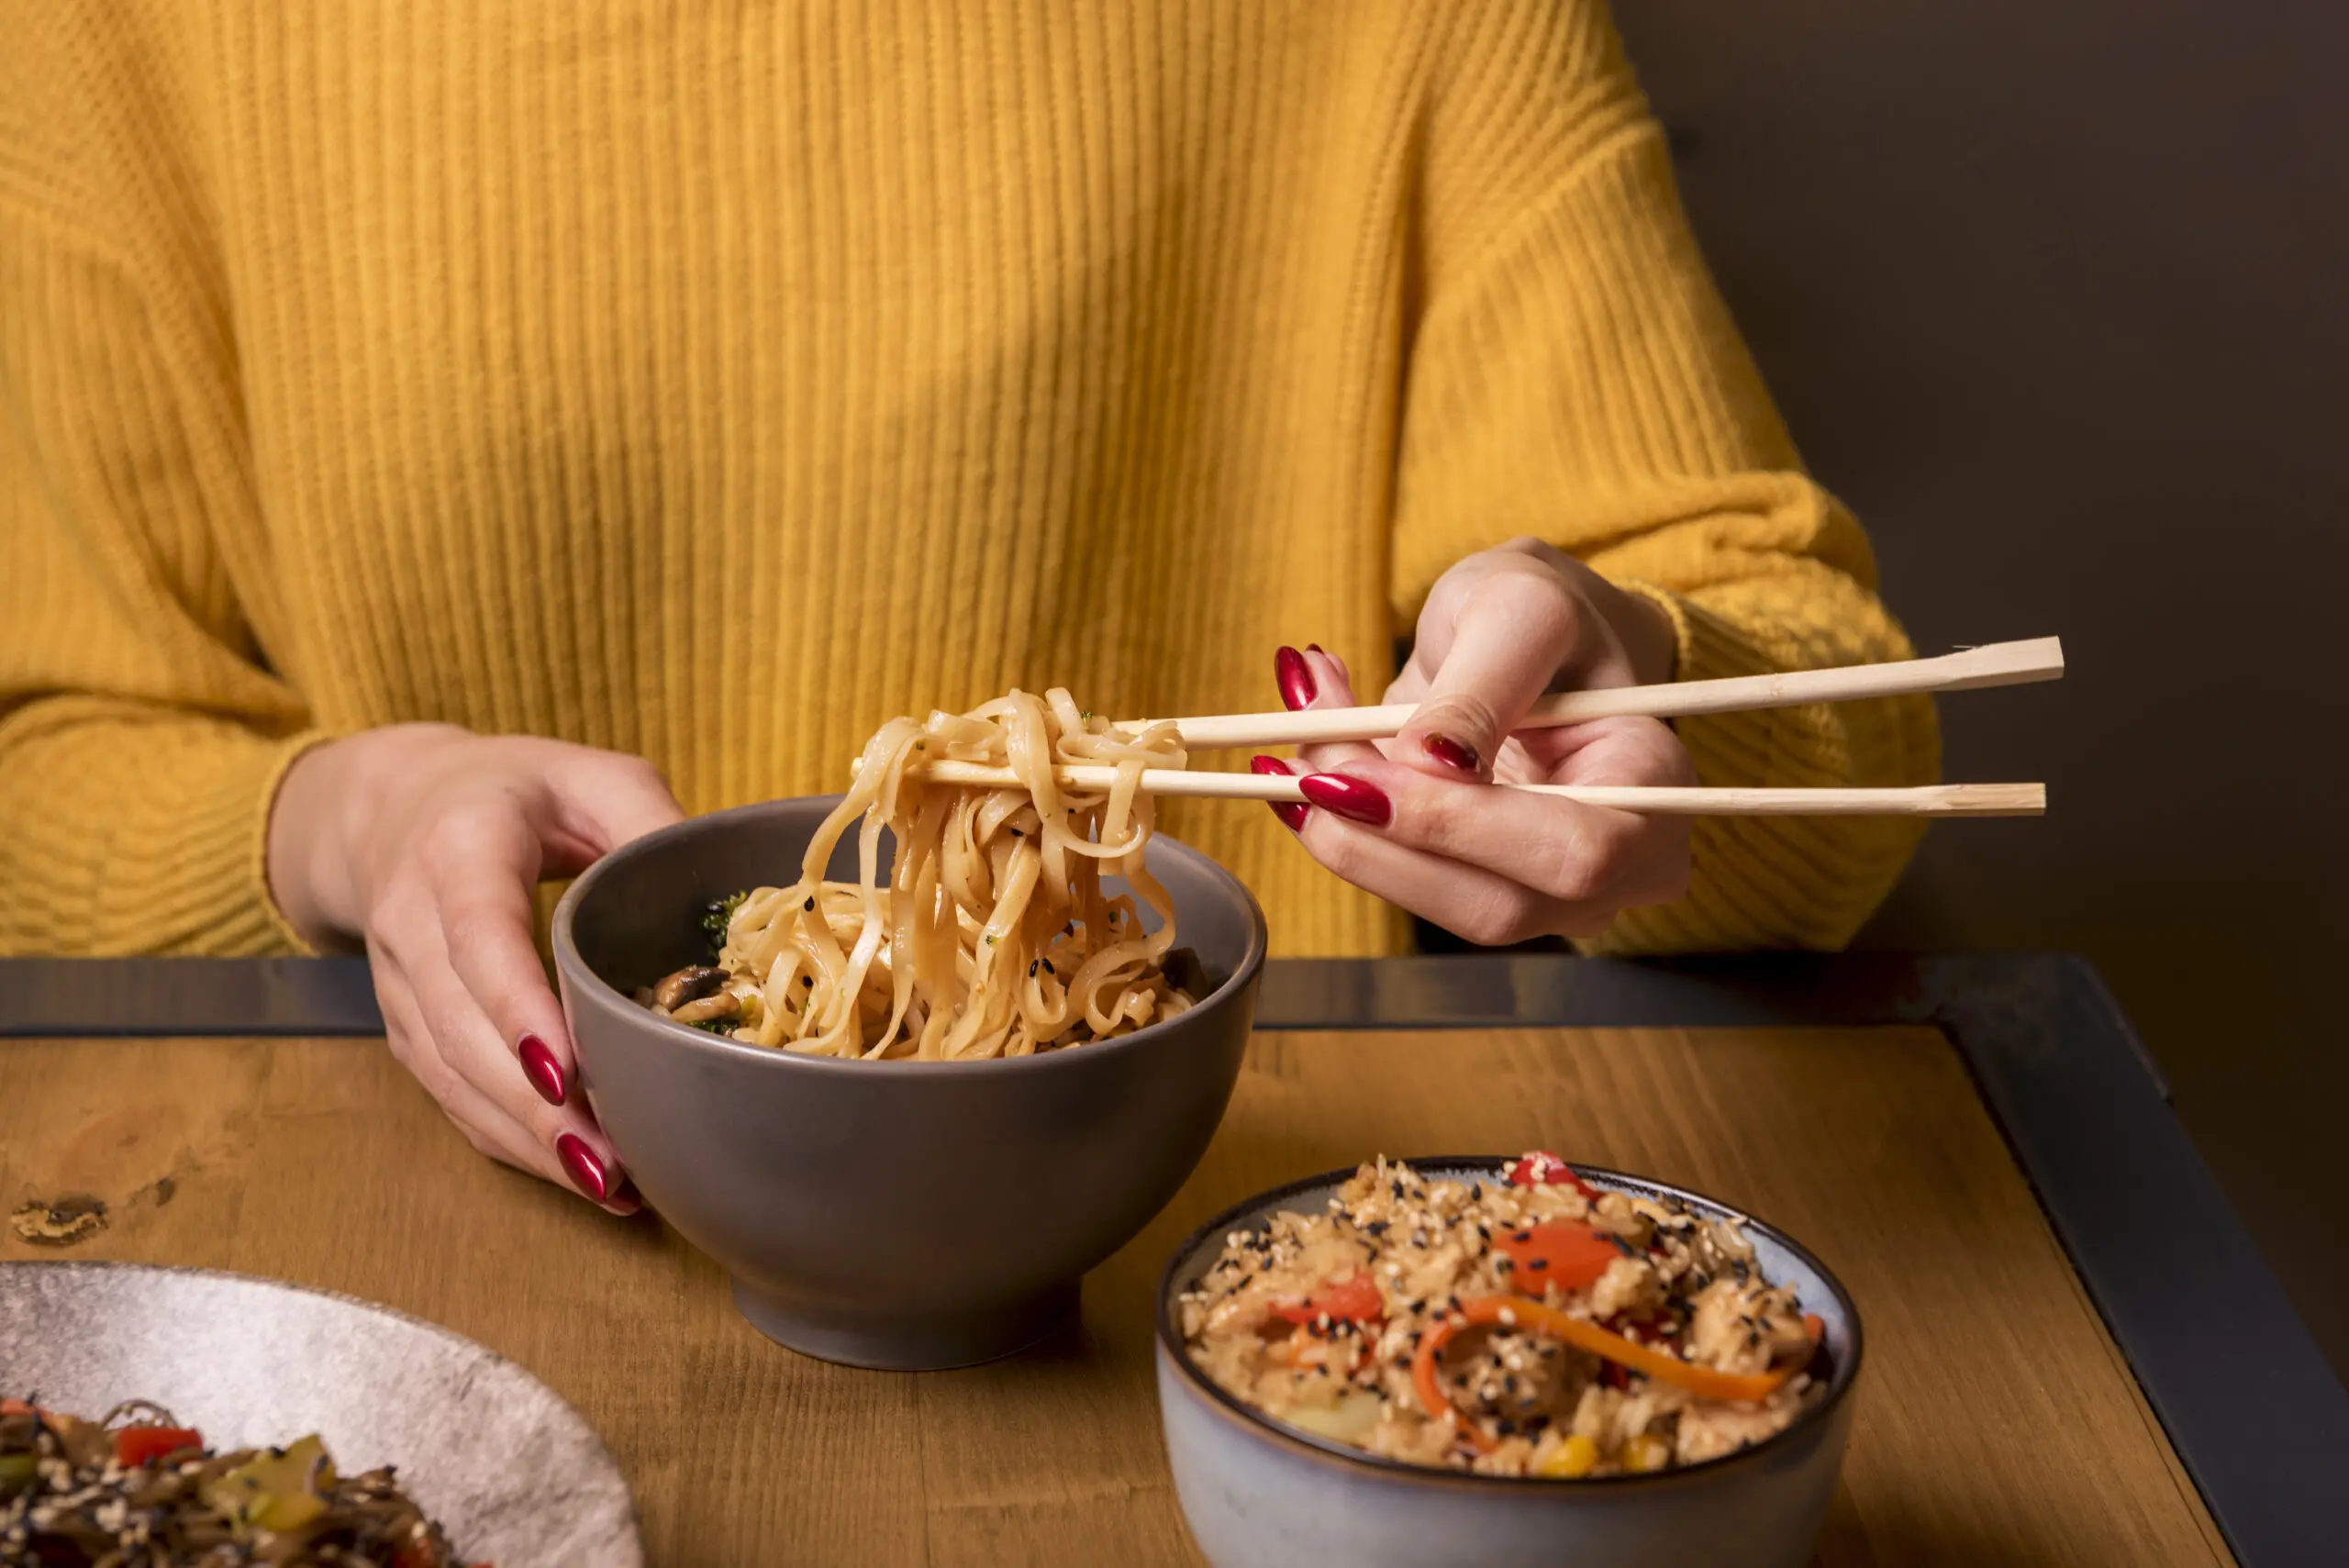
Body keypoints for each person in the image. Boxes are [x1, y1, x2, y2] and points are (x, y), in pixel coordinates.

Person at [0, 2, 1936, 1209]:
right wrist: (339, 818)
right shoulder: (124, 34)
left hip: (1265, 1235)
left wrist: (1638, 666)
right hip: (441, 1244)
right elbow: (44, 757)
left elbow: (1818, 675)